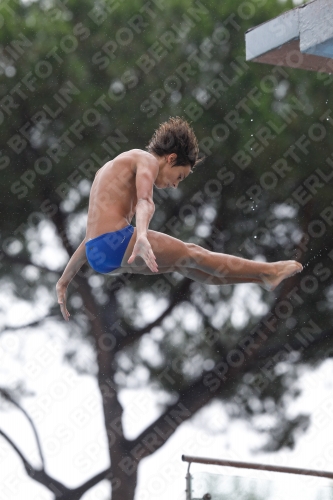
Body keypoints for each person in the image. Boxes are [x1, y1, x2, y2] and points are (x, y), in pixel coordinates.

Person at [56, 117, 303, 321]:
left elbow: (91, 236)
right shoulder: (147, 160)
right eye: (180, 176)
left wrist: (64, 280)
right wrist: (141, 235)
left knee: (184, 263)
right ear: (171, 158)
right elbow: (145, 202)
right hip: (118, 243)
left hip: (100, 257)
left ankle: (261, 277)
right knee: (192, 252)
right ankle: (268, 270)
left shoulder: (106, 170)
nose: (175, 185)